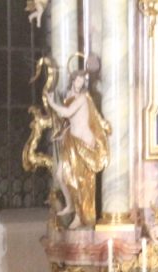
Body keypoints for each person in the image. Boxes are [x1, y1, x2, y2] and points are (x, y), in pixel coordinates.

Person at [47, 69, 111, 229]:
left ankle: (79, 216)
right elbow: (69, 119)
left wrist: (51, 103)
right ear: (72, 80)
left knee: (79, 182)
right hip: (71, 140)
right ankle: (70, 205)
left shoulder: (83, 98)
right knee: (60, 175)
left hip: (83, 143)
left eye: (82, 81)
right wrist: (63, 132)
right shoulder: (69, 95)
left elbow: (67, 112)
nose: (79, 83)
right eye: (77, 80)